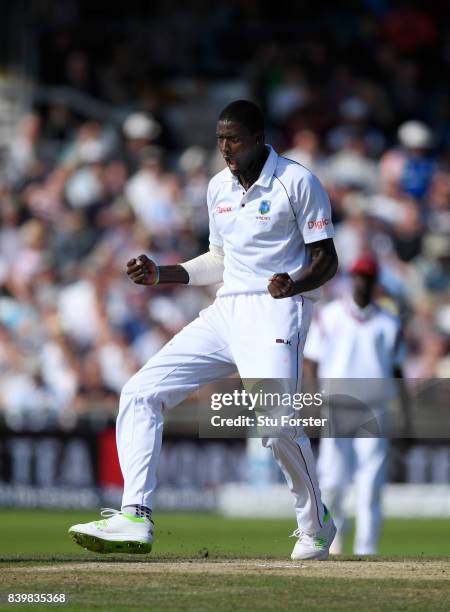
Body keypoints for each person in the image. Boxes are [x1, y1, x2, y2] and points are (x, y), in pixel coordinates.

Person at [69, 100, 338, 560]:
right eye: (219, 139)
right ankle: (135, 515)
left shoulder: (297, 180)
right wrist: (162, 274)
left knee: (275, 426)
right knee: (140, 391)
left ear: (258, 137)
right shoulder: (218, 188)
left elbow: (326, 260)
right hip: (225, 309)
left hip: (277, 310)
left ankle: (316, 523)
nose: (225, 148)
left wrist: (291, 283)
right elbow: (219, 261)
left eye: (233, 139)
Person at [303, 255, 407, 555]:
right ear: (352, 279)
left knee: (370, 482)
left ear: (375, 283)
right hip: (336, 404)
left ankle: (367, 549)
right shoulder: (331, 315)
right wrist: (311, 404)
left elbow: (398, 372)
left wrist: (406, 417)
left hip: (374, 407)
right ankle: (334, 543)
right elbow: (311, 362)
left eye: (367, 277)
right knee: (332, 480)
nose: (361, 282)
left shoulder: (390, 323)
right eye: (358, 276)